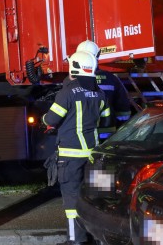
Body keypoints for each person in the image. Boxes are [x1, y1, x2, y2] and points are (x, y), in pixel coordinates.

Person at [43, 51, 111, 245]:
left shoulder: (68, 92)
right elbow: (107, 119)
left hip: (71, 156)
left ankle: (76, 239)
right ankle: (98, 239)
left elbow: (51, 119)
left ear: (74, 68)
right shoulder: (100, 92)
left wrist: (44, 120)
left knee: (72, 199)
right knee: (95, 198)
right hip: (94, 155)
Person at [75, 40, 132, 123]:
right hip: (109, 132)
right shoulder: (111, 78)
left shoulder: (72, 80)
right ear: (98, 55)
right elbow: (123, 112)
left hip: (84, 133)